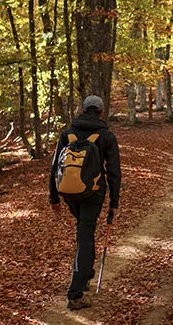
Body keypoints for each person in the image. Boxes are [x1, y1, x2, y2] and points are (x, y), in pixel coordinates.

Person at [49, 95, 121, 311]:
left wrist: (54, 197)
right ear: (100, 112)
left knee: (85, 232)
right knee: (85, 235)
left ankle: (87, 273)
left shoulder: (67, 133)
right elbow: (114, 172)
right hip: (94, 193)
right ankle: (75, 294)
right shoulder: (106, 136)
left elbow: (54, 167)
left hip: (68, 193)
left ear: (82, 110)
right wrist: (114, 201)